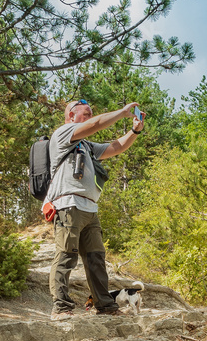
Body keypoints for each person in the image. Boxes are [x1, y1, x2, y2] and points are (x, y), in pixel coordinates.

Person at [44, 99, 145, 319]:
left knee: (96, 259)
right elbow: (96, 125)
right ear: (71, 116)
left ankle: (105, 307)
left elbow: (115, 147)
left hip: (90, 209)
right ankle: (61, 307)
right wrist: (122, 112)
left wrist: (135, 131)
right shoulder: (63, 133)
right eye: (86, 113)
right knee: (66, 255)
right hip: (68, 205)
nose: (90, 117)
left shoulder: (86, 146)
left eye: (91, 114)